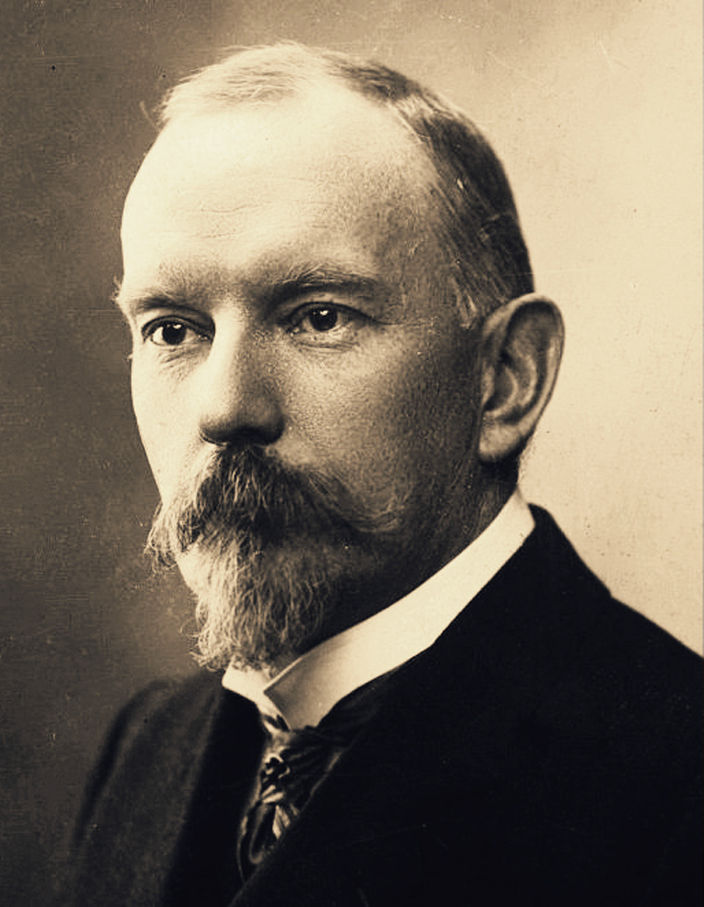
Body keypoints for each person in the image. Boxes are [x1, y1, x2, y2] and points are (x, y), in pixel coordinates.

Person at [61, 43, 701, 906]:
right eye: (173, 330)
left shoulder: (674, 780)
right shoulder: (148, 744)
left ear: (505, 378)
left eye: (319, 317)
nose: (225, 407)